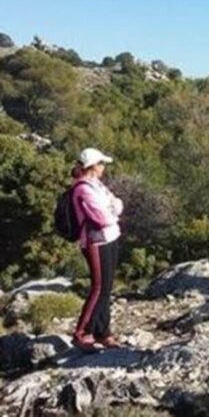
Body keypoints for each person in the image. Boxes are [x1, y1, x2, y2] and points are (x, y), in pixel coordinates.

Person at [71, 148, 124, 351]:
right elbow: (102, 218)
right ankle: (81, 333)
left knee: (107, 287)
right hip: (95, 242)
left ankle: (103, 332)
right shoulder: (83, 189)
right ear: (92, 166)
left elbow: (117, 205)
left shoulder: (97, 185)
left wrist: (113, 209)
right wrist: (113, 210)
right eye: (101, 163)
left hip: (110, 237)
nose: (103, 167)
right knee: (98, 288)